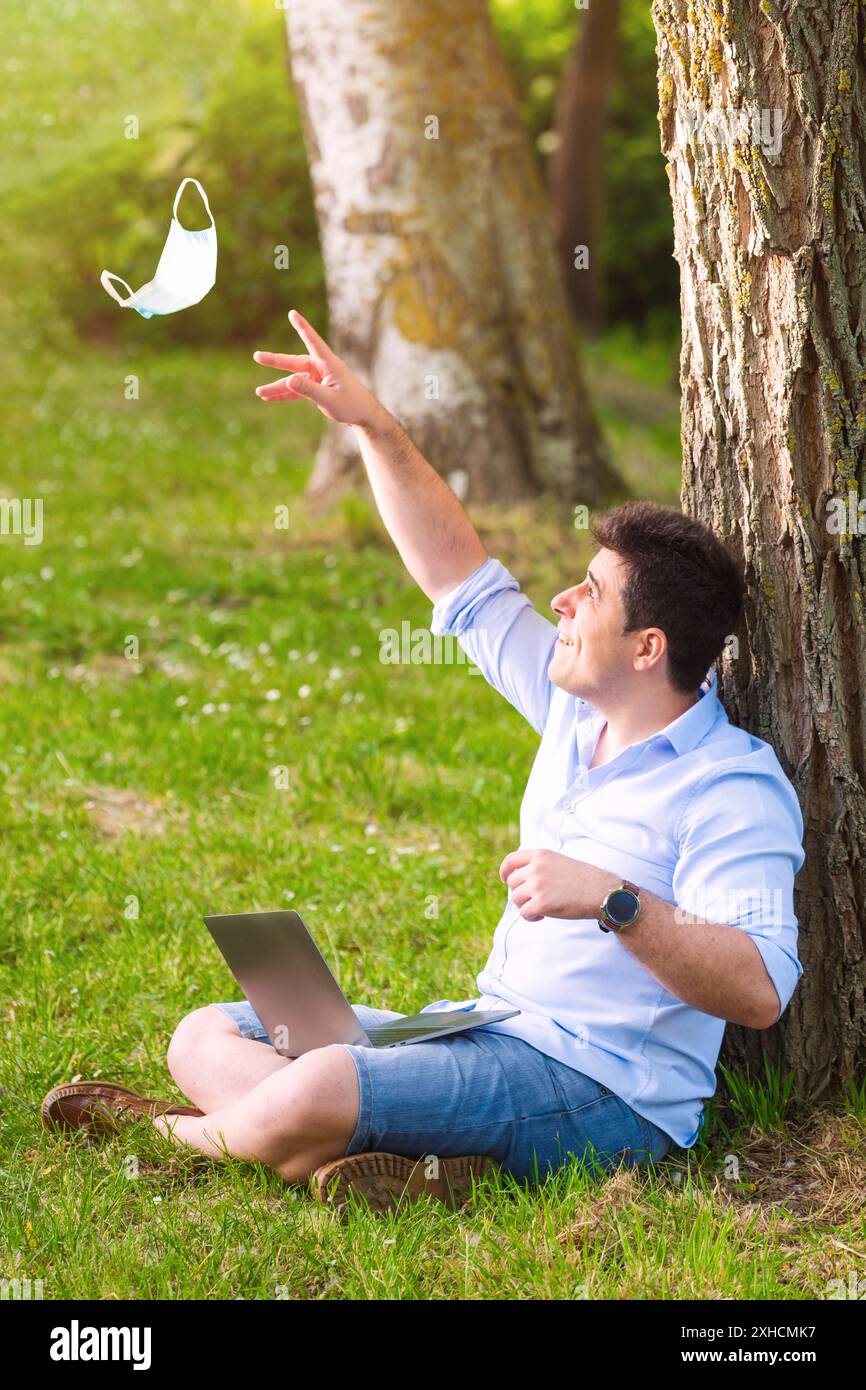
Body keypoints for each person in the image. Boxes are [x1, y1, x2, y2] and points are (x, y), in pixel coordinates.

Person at [42, 310, 806, 1216]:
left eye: (589, 593)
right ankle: (359, 1151)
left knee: (322, 1083)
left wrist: (615, 900)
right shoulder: (575, 709)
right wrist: (373, 424)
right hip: (491, 1030)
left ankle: (179, 1133)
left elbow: (760, 991)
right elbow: (461, 578)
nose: (561, 598)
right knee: (205, 1033)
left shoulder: (733, 785)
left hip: (606, 1093)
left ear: (647, 649)